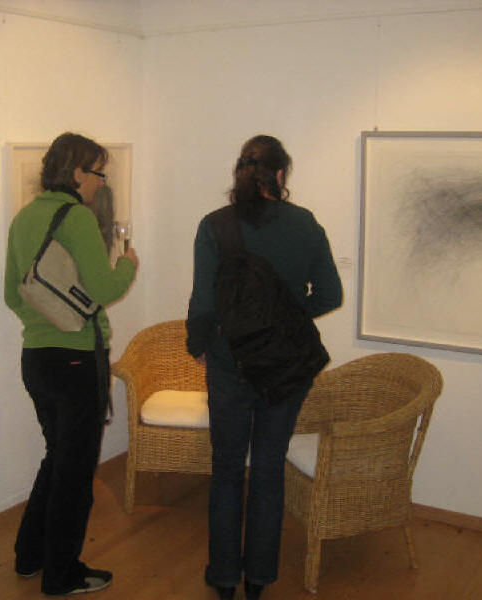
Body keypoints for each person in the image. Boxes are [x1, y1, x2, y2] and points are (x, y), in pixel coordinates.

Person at [186, 135, 342, 600]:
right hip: (285, 368)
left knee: (227, 469)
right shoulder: (305, 223)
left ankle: (224, 578)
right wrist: (285, 320)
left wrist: (199, 344)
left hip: (229, 365)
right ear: (280, 174)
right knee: (269, 469)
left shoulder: (214, 225)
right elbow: (330, 295)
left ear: (240, 172)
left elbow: (203, 302)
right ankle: (258, 579)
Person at [4, 132, 138, 596]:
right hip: (78, 360)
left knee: (57, 457)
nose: (102, 182)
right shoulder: (77, 217)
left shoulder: (24, 217)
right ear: (78, 172)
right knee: (76, 474)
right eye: (99, 173)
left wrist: (45, 323)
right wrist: (128, 264)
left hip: (36, 359)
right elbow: (105, 289)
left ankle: (30, 555)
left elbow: (13, 295)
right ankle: (62, 575)